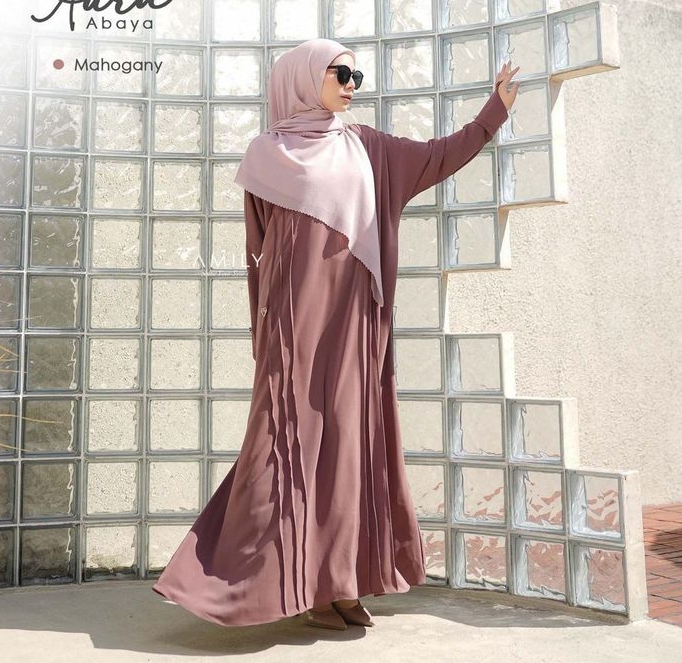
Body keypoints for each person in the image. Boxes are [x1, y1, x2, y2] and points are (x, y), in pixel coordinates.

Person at [152, 38, 518, 630]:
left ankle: (339, 583)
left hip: (355, 325)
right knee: (283, 447)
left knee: (351, 445)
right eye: (340, 73)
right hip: (295, 325)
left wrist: (492, 112)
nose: (351, 84)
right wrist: (266, 330)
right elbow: (258, 248)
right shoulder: (266, 155)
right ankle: (235, 584)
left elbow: (437, 156)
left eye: (355, 75)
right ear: (302, 79)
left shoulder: (367, 147)